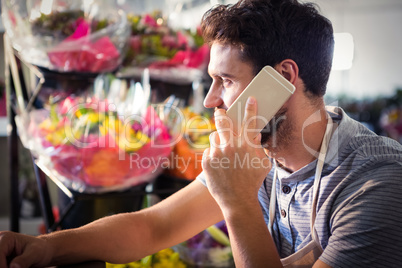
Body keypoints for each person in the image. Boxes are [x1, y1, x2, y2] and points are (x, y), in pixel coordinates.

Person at [2, 0, 402, 267]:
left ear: (282, 79)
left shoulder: (376, 182)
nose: (210, 100)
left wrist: (239, 203)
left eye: (224, 80)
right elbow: (152, 227)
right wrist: (45, 246)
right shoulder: (257, 152)